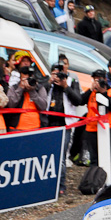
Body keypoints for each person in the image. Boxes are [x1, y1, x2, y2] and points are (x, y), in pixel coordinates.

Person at [82, 69, 111, 179]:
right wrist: (90, 90)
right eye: (95, 79)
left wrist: (103, 92)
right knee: (94, 156)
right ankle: (95, 180)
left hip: (109, 126)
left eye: (100, 79)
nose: (97, 81)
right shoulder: (91, 92)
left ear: (105, 79)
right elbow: (80, 101)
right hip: (92, 127)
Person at [46, 63, 83, 194]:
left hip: (64, 125)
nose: (57, 77)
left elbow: (78, 100)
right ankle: (47, 184)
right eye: (55, 74)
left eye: (59, 75)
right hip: (48, 124)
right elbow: (40, 92)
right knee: (48, 155)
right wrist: (49, 82)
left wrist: (65, 86)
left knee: (61, 156)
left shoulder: (71, 82)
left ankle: (60, 186)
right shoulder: (48, 83)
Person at [6, 65, 48, 131]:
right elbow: (11, 104)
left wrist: (32, 91)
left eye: (30, 77)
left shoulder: (39, 88)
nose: (28, 80)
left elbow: (43, 106)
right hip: (16, 128)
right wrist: (20, 88)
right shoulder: (14, 88)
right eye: (25, 77)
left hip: (36, 128)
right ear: (20, 77)